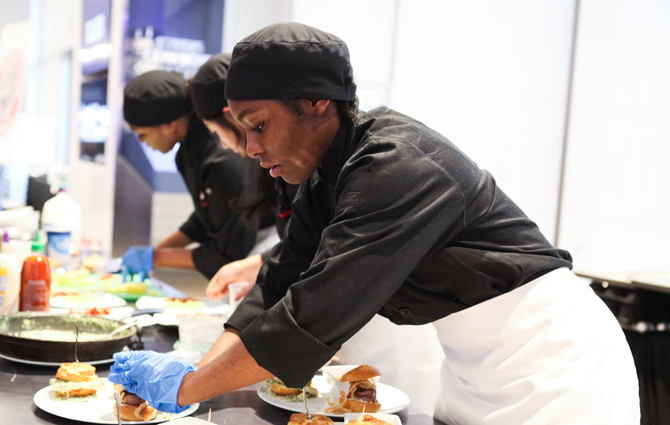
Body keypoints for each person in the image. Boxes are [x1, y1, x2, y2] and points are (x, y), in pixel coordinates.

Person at [109, 23, 640, 424]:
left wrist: (188, 388)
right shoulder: (325, 175)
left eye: (259, 125)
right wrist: (202, 365)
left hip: (553, 368)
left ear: (317, 102)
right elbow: (277, 280)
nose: (249, 148)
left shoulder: (397, 165)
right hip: (472, 369)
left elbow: (310, 317)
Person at [120, 70, 262, 280]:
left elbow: (229, 253)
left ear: (170, 123)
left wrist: (156, 257)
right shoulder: (187, 153)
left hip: (257, 259)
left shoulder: (222, 159)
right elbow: (205, 218)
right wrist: (154, 252)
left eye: (143, 134)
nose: (141, 142)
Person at [188, 53, 300, 302]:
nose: (251, 148)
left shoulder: (299, 162)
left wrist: (258, 265)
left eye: (215, 131)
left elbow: (315, 245)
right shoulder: (270, 164)